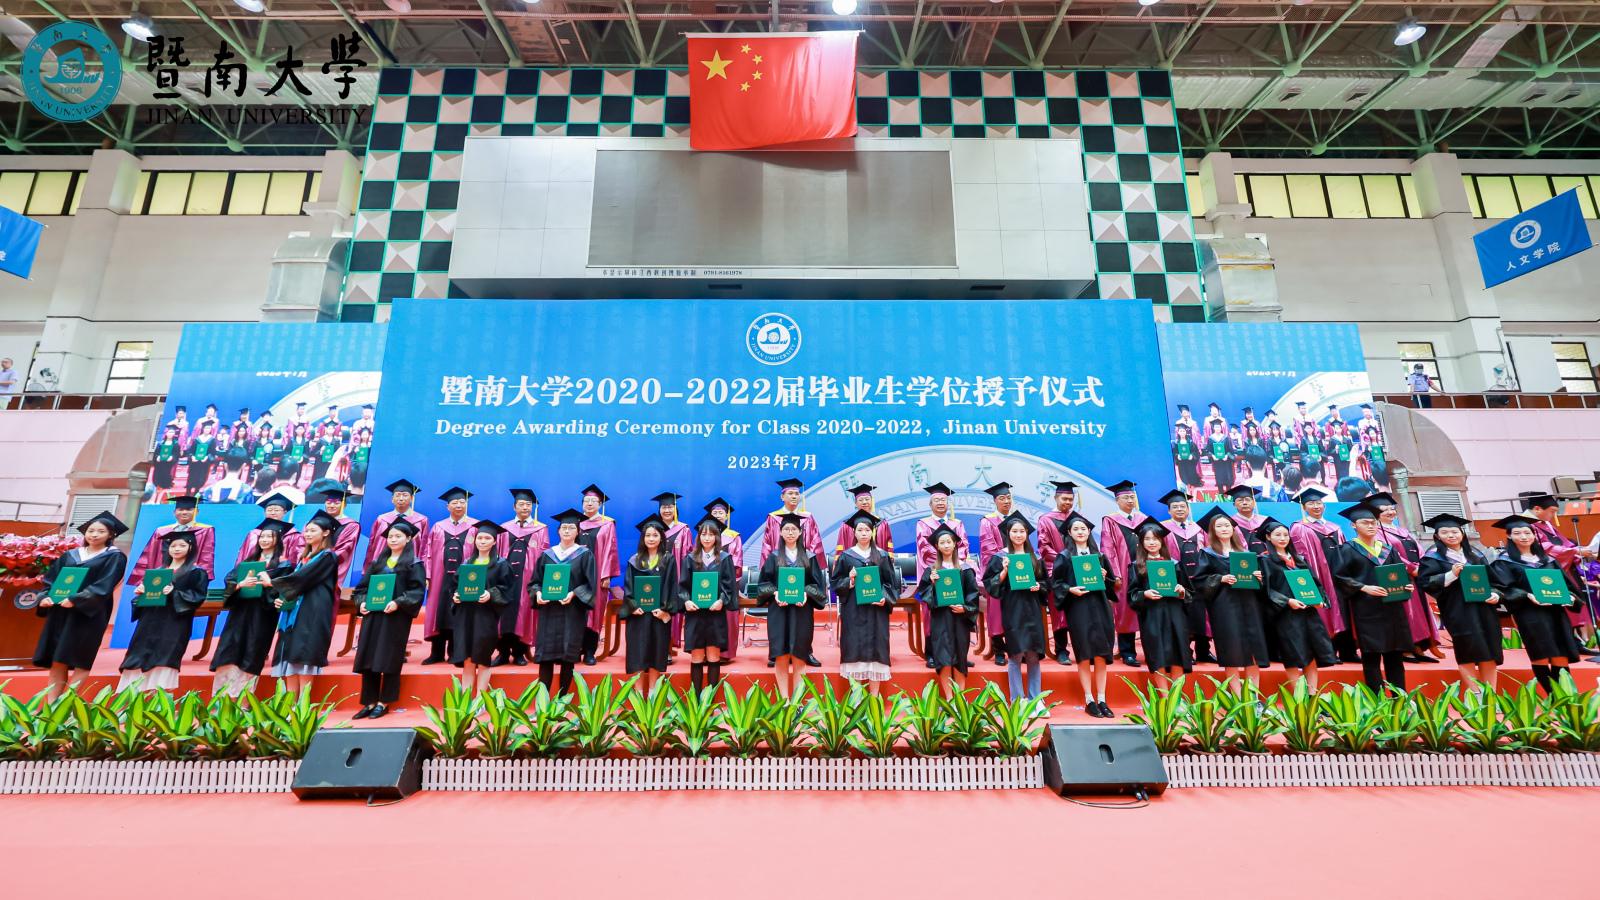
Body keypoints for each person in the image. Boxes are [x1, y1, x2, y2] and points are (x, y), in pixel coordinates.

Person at [34, 512, 129, 700]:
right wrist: (45, 597)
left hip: (89, 614)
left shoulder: (115, 557)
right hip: (60, 611)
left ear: (111, 535)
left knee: (81, 659)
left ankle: (67, 703)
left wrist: (76, 599)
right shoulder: (70, 555)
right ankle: (52, 705)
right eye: (90, 530)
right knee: (58, 658)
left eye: (101, 531)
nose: (94, 534)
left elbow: (104, 585)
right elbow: (51, 580)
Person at [1488, 514, 1584, 694]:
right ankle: (1552, 696)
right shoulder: (1504, 562)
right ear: (1509, 536)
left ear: (1534, 535)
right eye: (1518, 533)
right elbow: (1502, 588)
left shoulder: (1548, 560)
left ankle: (1563, 697)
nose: (1524, 537)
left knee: (1560, 655)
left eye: (1527, 532)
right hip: (1529, 614)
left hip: (1555, 612)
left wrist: (1570, 598)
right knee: (1541, 654)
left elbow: (1567, 586)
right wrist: (1527, 596)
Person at [1331, 504, 1414, 694]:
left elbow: (1400, 573)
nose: (1371, 526)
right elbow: (1339, 577)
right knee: (1371, 656)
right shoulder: (1346, 549)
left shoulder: (1388, 549)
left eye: (1374, 523)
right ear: (1353, 525)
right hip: (1367, 609)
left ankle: (1399, 698)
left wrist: (1407, 585)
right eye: (1365, 523)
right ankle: (1376, 700)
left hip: (1393, 609)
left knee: (1395, 655)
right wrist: (1364, 587)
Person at [1415, 514, 1502, 692]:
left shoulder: (1475, 555)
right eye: (1445, 532)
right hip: (1458, 610)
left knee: (1489, 651)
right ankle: (1475, 696)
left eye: (1455, 531)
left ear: (1462, 533)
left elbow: (1495, 582)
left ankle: (1490, 695)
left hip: (1484, 608)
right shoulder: (1433, 558)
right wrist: (1451, 575)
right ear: (1437, 536)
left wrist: (1495, 594)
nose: (1451, 535)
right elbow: (1426, 583)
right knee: (1467, 651)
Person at [260, 510, 343, 694]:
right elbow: (296, 584)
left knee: (304, 655)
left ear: (326, 533)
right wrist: (282, 600)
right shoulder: (305, 558)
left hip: (312, 612)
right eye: (306, 531)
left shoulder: (327, 557)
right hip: (295, 613)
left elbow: (302, 579)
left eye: (313, 531)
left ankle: (302, 706)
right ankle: (291, 706)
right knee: (290, 656)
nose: (307, 534)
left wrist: (272, 582)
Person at [350, 518, 426, 718]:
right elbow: (361, 589)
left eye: (398, 536)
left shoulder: (414, 564)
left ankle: (384, 702)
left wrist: (398, 603)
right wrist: (362, 603)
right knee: (369, 657)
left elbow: (417, 591)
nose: (393, 539)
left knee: (389, 658)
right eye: (390, 536)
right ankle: (369, 701)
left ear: (408, 538)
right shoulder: (378, 563)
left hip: (395, 618)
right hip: (373, 616)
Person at [210, 519, 295, 696]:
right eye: (262, 536)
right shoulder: (247, 563)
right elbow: (230, 581)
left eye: (269, 536)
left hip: (262, 615)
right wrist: (240, 585)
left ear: (278, 539)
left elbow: (284, 589)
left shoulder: (284, 565)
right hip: (239, 613)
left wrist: (269, 584)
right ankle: (221, 699)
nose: (264, 540)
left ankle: (243, 701)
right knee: (229, 651)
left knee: (252, 651)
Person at [117, 531, 208, 692]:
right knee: (138, 655)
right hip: (149, 620)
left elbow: (198, 597)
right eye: (173, 546)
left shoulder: (196, 572)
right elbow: (145, 598)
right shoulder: (158, 571)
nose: (176, 549)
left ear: (191, 547)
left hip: (174, 621)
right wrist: (141, 593)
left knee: (165, 657)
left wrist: (174, 592)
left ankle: (158, 699)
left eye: (182, 545)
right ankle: (133, 698)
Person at [1190, 508, 1270, 690]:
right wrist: (1221, 579)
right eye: (1219, 526)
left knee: (1253, 651)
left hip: (1249, 605)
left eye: (1227, 525)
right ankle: (1237, 697)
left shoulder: (1245, 553)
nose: (1224, 528)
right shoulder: (1207, 553)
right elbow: (1199, 581)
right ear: (1213, 530)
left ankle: (1253, 696)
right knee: (1231, 651)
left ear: (1233, 528)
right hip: (1225, 606)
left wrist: (1259, 578)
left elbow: (1261, 584)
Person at [754, 513, 828, 700]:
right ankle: (784, 700)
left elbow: (818, 587)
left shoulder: (809, 557)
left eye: (794, 529)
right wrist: (775, 593)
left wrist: (806, 593)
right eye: (786, 529)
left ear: (800, 532)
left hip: (802, 612)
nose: (790, 532)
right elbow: (762, 585)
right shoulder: (773, 557)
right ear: (780, 532)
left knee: (799, 655)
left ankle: (796, 701)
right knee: (781, 655)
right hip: (779, 612)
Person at [1049, 512, 1117, 716]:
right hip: (1079, 609)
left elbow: (1112, 585)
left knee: (1101, 654)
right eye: (1076, 529)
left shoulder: (1099, 556)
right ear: (1069, 533)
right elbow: (1056, 583)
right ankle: (1089, 699)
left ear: (1089, 532)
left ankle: (1102, 699)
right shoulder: (1064, 557)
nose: (1080, 532)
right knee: (1084, 653)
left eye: (1083, 529)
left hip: (1100, 608)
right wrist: (1070, 589)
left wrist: (1106, 577)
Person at [1257, 518, 1336, 691]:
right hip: (1286, 615)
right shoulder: (1265, 560)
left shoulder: (1299, 559)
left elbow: (1315, 582)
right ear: (1268, 537)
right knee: (1292, 655)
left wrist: (1320, 600)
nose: (1283, 538)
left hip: (1308, 613)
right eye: (1278, 535)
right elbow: (1266, 589)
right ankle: (1298, 697)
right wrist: (1287, 601)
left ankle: (1312, 694)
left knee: (1311, 653)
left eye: (1286, 535)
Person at [1367, 492, 1443, 663]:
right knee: (1406, 612)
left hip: (1416, 576)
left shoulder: (1402, 530)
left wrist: (1424, 567)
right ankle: (1405, 648)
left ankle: (1419, 647)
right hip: (1397, 577)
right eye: (1384, 509)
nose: (1390, 512)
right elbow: (1387, 553)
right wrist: (1411, 568)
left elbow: (1419, 550)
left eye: (1392, 508)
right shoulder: (1376, 532)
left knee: (1420, 612)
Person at [831, 510, 901, 696]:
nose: (863, 533)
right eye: (860, 530)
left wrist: (884, 597)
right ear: (854, 532)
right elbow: (835, 583)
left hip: (876, 612)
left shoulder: (882, 556)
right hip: (854, 611)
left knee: (876, 654)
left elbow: (891, 584)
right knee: (854, 650)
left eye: (867, 530)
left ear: (872, 532)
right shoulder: (846, 557)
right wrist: (850, 581)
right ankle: (856, 698)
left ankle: (874, 698)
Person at [983, 511, 1049, 701]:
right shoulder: (1000, 557)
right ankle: (1017, 700)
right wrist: (1004, 571)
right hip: (1013, 610)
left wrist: (1039, 586)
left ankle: (1035, 700)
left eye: (1022, 531)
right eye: (1014, 531)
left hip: (1032, 610)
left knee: (1033, 655)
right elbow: (991, 585)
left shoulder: (1035, 557)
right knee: (1015, 654)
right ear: (1008, 533)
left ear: (1027, 533)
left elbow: (1046, 583)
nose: (1018, 535)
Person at [760, 478, 825, 669]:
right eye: (790, 493)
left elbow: (814, 543)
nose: (794, 496)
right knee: (779, 617)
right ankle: (777, 653)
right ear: (782, 496)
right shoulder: (773, 518)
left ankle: (806, 651)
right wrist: (769, 567)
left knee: (803, 617)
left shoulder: (807, 517)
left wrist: (810, 563)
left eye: (797, 493)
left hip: (802, 567)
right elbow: (768, 544)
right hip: (779, 567)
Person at [531, 509, 597, 695]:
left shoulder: (585, 554)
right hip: (549, 612)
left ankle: (562, 700)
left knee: (568, 657)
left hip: (572, 612)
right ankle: (543, 701)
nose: (567, 531)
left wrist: (574, 593)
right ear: (558, 531)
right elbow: (535, 582)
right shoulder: (547, 555)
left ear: (578, 532)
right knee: (545, 657)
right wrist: (537, 593)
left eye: (571, 528)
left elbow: (590, 584)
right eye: (564, 528)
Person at [913, 523, 980, 698]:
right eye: (942, 542)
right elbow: (924, 595)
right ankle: (949, 699)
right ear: (936, 546)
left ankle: (960, 699)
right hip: (941, 620)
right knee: (944, 659)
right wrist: (932, 584)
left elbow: (973, 595)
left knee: (959, 659)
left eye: (949, 542)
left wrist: (965, 608)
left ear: (955, 543)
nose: (946, 545)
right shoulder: (932, 571)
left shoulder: (965, 569)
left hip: (959, 620)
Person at [1289, 485, 1354, 662]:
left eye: (1319, 503)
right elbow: (1301, 556)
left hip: (1338, 575)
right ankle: (1328, 652)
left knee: (1344, 609)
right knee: (1324, 611)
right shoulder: (1299, 528)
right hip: (1319, 575)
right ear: (1304, 507)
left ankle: (1348, 651)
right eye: (1311, 503)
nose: (1316, 506)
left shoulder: (1335, 527)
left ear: (1324, 506)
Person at [1126, 521, 1192, 690]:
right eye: (1147, 539)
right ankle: (1165, 697)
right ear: (1141, 542)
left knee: (1177, 655)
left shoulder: (1174, 564)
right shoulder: (1136, 566)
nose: (1152, 542)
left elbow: (1189, 592)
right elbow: (1132, 595)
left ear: (1162, 541)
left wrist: (1182, 591)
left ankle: (1176, 697)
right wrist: (1145, 594)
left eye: (1155, 538)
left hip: (1175, 615)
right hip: (1152, 616)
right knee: (1158, 656)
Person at [448, 521, 512, 694]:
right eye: (480, 538)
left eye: (487, 538)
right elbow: (454, 587)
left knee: (483, 659)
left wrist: (490, 594)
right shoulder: (466, 564)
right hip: (465, 616)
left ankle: (481, 700)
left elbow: (507, 589)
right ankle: (466, 699)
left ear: (494, 541)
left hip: (485, 616)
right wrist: (456, 596)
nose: (482, 541)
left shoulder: (501, 564)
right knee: (468, 659)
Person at [912, 481, 968, 670]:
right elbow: (925, 550)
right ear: (930, 504)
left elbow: (964, 546)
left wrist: (955, 566)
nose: (940, 503)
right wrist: (942, 569)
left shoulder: (957, 524)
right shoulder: (923, 524)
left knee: (956, 613)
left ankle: (959, 655)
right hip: (935, 576)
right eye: (936, 500)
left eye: (943, 500)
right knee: (932, 615)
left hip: (955, 574)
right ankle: (931, 654)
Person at [680, 513, 738, 693]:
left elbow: (729, 586)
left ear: (717, 537)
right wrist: (686, 601)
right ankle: (696, 700)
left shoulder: (725, 558)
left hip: (715, 615)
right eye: (703, 534)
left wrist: (722, 600)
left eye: (711, 534)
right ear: (698, 537)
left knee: (713, 656)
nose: (707, 538)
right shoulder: (690, 558)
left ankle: (710, 700)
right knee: (697, 656)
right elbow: (683, 586)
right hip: (695, 615)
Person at [621, 516, 679, 694]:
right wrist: (632, 607)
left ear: (661, 537)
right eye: (648, 535)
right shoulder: (634, 560)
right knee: (637, 654)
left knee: (656, 653)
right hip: (638, 616)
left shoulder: (668, 559)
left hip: (658, 615)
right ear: (642, 538)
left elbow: (672, 586)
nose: (651, 539)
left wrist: (665, 610)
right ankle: (638, 695)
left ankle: (653, 693)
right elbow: (628, 587)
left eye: (655, 535)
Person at [422, 486, 478, 665]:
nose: (459, 505)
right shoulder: (438, 527)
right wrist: (427, 575)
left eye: (462, 502)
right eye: (454, 502)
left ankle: (456, 652)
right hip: (439, 578)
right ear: (447, 506)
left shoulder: (474, 527)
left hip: (464, 579)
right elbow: (428, 553)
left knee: (459, 612)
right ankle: (436, 652)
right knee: (438, 612)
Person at [1099, 479, 1149, 667]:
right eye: (1126, 497)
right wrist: (1115, 575)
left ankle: (1150, 650)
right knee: (1125, 610)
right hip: (1124, 570)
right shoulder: (1110, 520)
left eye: (1132, 497)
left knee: (1148, 607)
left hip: (1144, 570)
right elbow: (1108, 548)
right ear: (1117, 500)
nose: (1130, 500)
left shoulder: (1143, 519)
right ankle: (1127, 652)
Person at [1159, 488, 1212, 664]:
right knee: (1183, 615)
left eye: (1183, 506)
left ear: (1188, 509)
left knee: (1203, 614)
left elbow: (1208, 549)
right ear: (1169, 510)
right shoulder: (1163, 529)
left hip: (1200, 577)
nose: (1180, 509)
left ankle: (1204, 651)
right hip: (1178, 578)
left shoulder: (1199, 528)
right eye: (1175, 507)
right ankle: (1185, 652)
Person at [495, 488, 547, 667]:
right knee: (503, 612)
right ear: (514, 507)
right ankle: (502, 653)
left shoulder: (540, 529)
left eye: (528, 504)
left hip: (528, 579)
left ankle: (519, 653)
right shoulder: (504, 528)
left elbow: (543, 555)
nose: (525, 507)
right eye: (521, 504)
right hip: (505, 579)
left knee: (524, 613)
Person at [126, 495, 216, 591]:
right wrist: (144, 581)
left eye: (189, 509)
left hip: (187, 579)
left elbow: (206, 556)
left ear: (196, 512)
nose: (184, 512)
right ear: (174, 512)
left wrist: (201, 579)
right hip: (160, 577)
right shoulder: (161, 531)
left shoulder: (205, 530)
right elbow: (149, 556)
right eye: (180, 509)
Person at [576, 484, 620, 667]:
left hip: (597, 575)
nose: (589, 504)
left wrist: (606, 575)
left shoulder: (607, 524)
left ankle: (589, 651)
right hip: (576, 575)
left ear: (600, 504)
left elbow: (611, 550)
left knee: (594, 612)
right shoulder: (575, 523)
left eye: (593, 501)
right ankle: (574, 649)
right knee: (576, 610)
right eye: (586, 501)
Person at [1034, 480, 1077, 665]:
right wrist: (1063, 560)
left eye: (1070, 499)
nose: (1067, 502)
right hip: (1056, 570)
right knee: (1059, 611)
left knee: (1079, 610)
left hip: (1078, 570)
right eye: (1064, 499)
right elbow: (1043, 547)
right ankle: (1061, 650)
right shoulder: (1046, 519)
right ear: (1056, 498)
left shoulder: (1077, 519)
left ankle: (1082, 649)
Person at [976, 482, 1017, 667]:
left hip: (1018, 574)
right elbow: (988, 551)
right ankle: (999, 650)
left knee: (1017, 611)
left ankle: (1017, 648)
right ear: (995, 501)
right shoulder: (987, 521)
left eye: (1008, 498)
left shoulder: (1017, 520)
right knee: (997, 612)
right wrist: (1005, 566)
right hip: (998, 575)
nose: (1006, 501)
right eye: (1002, 498)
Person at [652, 492, 693, 657]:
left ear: (676, 509)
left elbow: (688, 556)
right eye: (664, 507)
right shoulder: (654, 529)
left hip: (675, 577)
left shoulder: (683, 530)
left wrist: (684, 578)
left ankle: (669, 647)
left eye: (670, 507)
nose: (667, 510)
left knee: (672, 611)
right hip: (656, 577)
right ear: (659, 509)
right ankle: (656, 646)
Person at [703, 497, 743, 662]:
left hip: (727, 584)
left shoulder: (734, 537)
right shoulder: (704, 535)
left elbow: (737, 563)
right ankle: (706, 652)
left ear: (727, 516)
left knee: (728, 618)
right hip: (706, 584)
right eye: (715, 512)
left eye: (721, 512)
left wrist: (727, 582)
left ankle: (725, 654)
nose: (718, 515)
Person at [366, 478, 430, 567]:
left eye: (405, 495)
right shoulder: (382, 519)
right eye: (397, 495)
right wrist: (368, 569)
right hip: (383, 567)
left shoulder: (421, 520)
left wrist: (422, 569)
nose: (401, 498)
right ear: (392, 499)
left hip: (410, 567)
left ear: (412, 498)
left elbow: (424, 548)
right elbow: (372, 546)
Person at [310, 484, 362, 585]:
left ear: (344, 505)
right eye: (328, 502)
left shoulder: (351, 525)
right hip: (310, 566)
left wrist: (320, 561)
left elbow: (343, 550)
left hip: (330, 568)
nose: (331, 505)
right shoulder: (316, 522)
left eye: (336, 503)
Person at [235, 492, 304, 566]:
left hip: (281, 570)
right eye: (269, 510)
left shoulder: (293, 535)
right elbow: (243, 555)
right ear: (264, 512)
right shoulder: (254, 534)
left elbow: (296, 559)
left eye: (276, 510)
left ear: (285, 512)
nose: (273, 513)